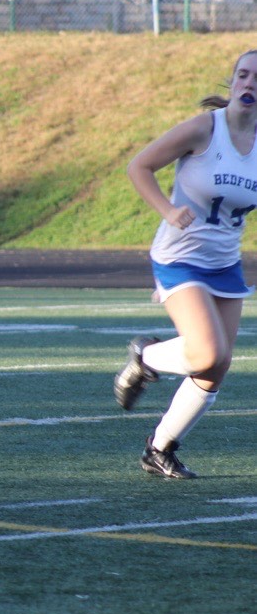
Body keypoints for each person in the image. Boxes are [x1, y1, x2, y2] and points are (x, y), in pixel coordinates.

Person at [114, 50, 257, 480]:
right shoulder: (203, 129)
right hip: (180, 257)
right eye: (243, 75)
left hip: (224, 262)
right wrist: (167, 210)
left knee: (216, 367)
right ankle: (147, 356)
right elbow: (139, 166)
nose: (248, 84)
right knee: (207, 351)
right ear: (232, 82)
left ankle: (159, 449)